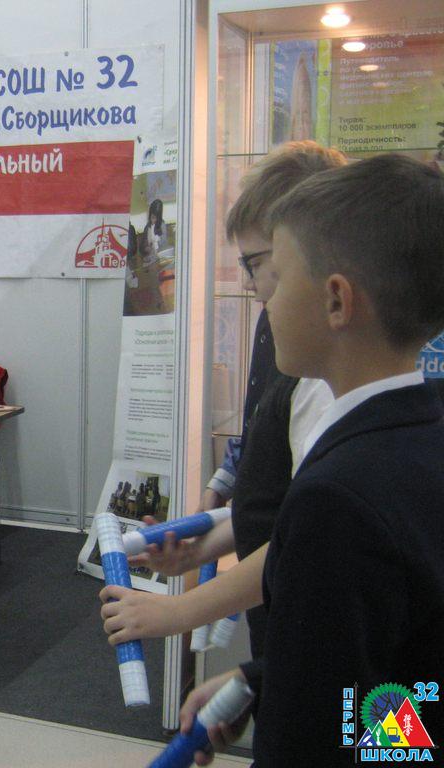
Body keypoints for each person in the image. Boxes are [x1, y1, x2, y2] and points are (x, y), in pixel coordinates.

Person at [182, 154, 444, 766]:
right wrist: (265, 679)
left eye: (281, 277)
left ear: (335, 301)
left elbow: (320, 740)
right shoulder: (419, 434)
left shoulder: (337, 500)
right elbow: (396, 671)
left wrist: (296, 698)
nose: (266, 302)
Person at [100, 142, 342, 660]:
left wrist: (180, 612)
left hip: (322, 644)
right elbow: (282, 498)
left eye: (257, 265)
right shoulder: (294, 356)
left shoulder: (329, 391)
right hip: (292, 635)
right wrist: (204, 544)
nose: (251, 288)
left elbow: (303, 540)